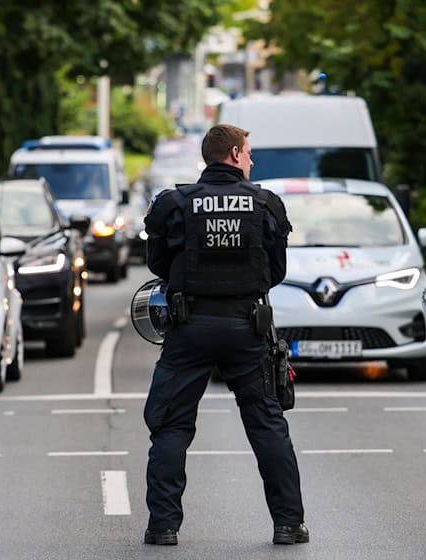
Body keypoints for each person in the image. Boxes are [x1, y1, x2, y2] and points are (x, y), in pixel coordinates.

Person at [142, 124, 307, 546]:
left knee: (171, 426)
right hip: (246, 327)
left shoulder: (174, 203)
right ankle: (288, 525)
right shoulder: (266, 204)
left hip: (189, 326)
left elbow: (158, 263)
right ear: (234, 154)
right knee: (267, 425)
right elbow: (277, 271)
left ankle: (163, 527)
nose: (252, 161)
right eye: (249, 153)